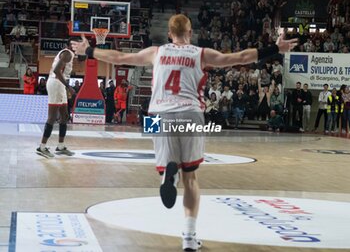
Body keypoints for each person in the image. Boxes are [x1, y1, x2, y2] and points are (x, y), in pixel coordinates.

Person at [72, 14, 297, 251]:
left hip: (159, 114)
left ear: (170, 33)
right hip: (191, 114)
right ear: (190, 33)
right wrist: (275, 48)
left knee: (168, 164)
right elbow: (239, 57)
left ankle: (168, 176)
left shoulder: (156, 52)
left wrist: (90, 51)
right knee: (192, 177)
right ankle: (189, 238)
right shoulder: (201, 54)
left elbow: (120, 58)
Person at [36, 38, 77, 158]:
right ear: (69, 45)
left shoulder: (69, 54)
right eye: (74, 44)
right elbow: (57, 71)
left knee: (64, 116)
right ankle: (42, 147)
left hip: (59, 84)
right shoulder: (67, 54)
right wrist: (68, 87)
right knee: (52, 117)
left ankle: (60, 146)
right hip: (56, 83)